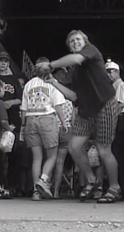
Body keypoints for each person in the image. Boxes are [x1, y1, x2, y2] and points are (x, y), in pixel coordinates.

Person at [35, 30, 121, 203]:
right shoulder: (75, 71)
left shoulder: (90, 51)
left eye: (77, 39)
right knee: (74, 147)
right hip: (86, 109)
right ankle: (91, 180)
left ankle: (115, 187)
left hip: (104, 104)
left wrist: (50, 65)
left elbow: (75, 58)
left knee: (104, 150)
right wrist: (53, 82)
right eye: (71, 41)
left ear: (85, 41)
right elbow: (74, 96)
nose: (75, 42)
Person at [20, 57, 68, 201]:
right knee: (52, 155)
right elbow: (58, 105)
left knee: (37, 158)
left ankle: (36, 192)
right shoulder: (53, 84)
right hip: (47, 118)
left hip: (31, 119)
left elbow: (23, 108)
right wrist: (64, 123)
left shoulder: (28, 84)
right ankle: (44, 179)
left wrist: (23, 125)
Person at [0, 52, 24, 196]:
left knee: (14, 153)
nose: (3, 63)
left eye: (6, 61)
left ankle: (13, 186)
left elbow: (21, 99)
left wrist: (12, 102)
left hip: (12, 119)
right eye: (1, 60)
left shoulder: (13, 79)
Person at [46, 67, 76, 199]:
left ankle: (45, 186)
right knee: (60, 162)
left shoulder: (52, 103)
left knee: (49, 160)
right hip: (66, 130)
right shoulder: (70, 104)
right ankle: (56, 192)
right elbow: (74, 122)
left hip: (53, 129)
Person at [105, 60, 124, 200]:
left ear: (117, 72)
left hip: (118, 119)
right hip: (115, 119)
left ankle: (123, 188)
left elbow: (119, 105)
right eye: (107, 72)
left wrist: (110, 121)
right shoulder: (113, 86)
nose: (109, 74)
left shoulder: (120, 85)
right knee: (115, 153)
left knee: (118, 154)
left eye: (111, 71)